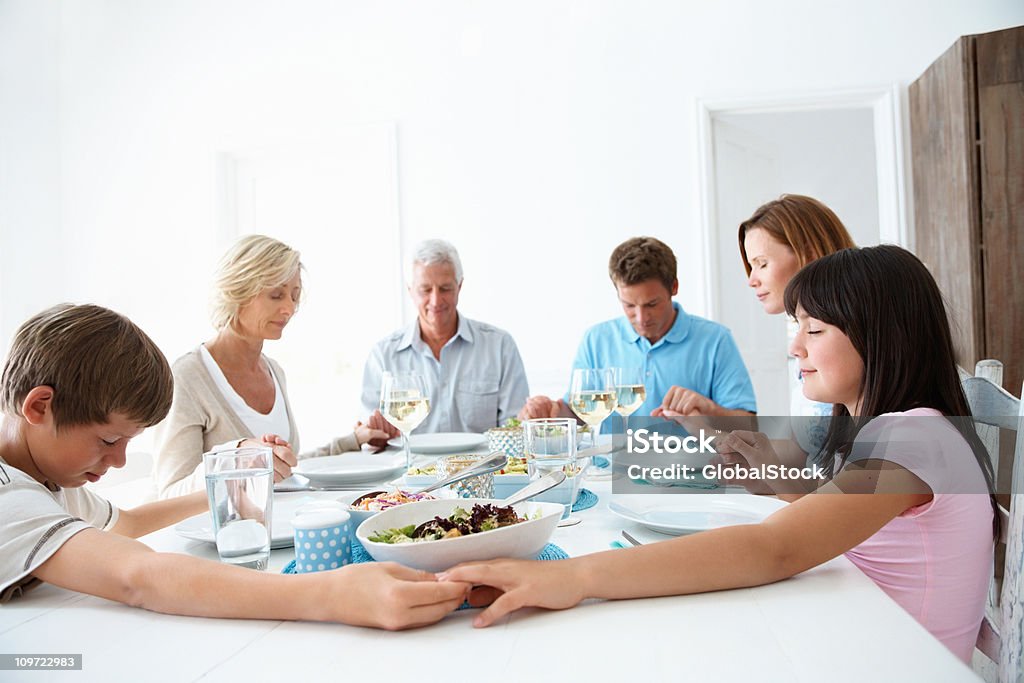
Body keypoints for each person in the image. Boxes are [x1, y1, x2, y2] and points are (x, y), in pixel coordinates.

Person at [445, 245, 997, 663]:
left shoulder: (916, 440)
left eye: (815, 329)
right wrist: (781, 480)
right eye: (794, 326)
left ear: (882, 338)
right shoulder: (901, 434)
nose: (794, 346)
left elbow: (774, 548)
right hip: (858, 636)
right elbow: (857, 525)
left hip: (895, 660)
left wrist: (576, 578)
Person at [0, 304, 469, 628]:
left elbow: (124, 524)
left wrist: (228, 485)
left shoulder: (43, 475)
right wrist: (331, 594)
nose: (120, 459)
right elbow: (139, 577)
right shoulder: (10, 497)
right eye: (108, 440)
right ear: (40, 407)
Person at [154, 235, 388, 499]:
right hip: (228, 538)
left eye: (294, 296)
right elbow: (171, 494)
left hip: (279, 529)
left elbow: (283, 469)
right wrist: (235, 457)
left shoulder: (273, 371)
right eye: (276, 295)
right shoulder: (188, 377)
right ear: (237, 291)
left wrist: (354, 440)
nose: (289, 308)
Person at [519, 236, 756, 425]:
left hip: (692, 474)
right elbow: (578, 415)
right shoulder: (596, 339)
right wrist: (550, 410)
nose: (641, 318)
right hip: (612, 475)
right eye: (629, 305)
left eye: (652, 304)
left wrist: (709, 409)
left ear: (673, 287)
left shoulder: (715, 340)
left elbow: (748, 425)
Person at [360, 239, 529, 436]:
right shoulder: (383, 355)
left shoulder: (500, 346)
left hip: (483, 466)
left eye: (445, 289)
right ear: (410, 291)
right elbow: (368, 434)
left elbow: (515, 429)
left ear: (460, 286)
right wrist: (375, 437)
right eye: (425, 290)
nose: (436, 300)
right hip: (407, 466)